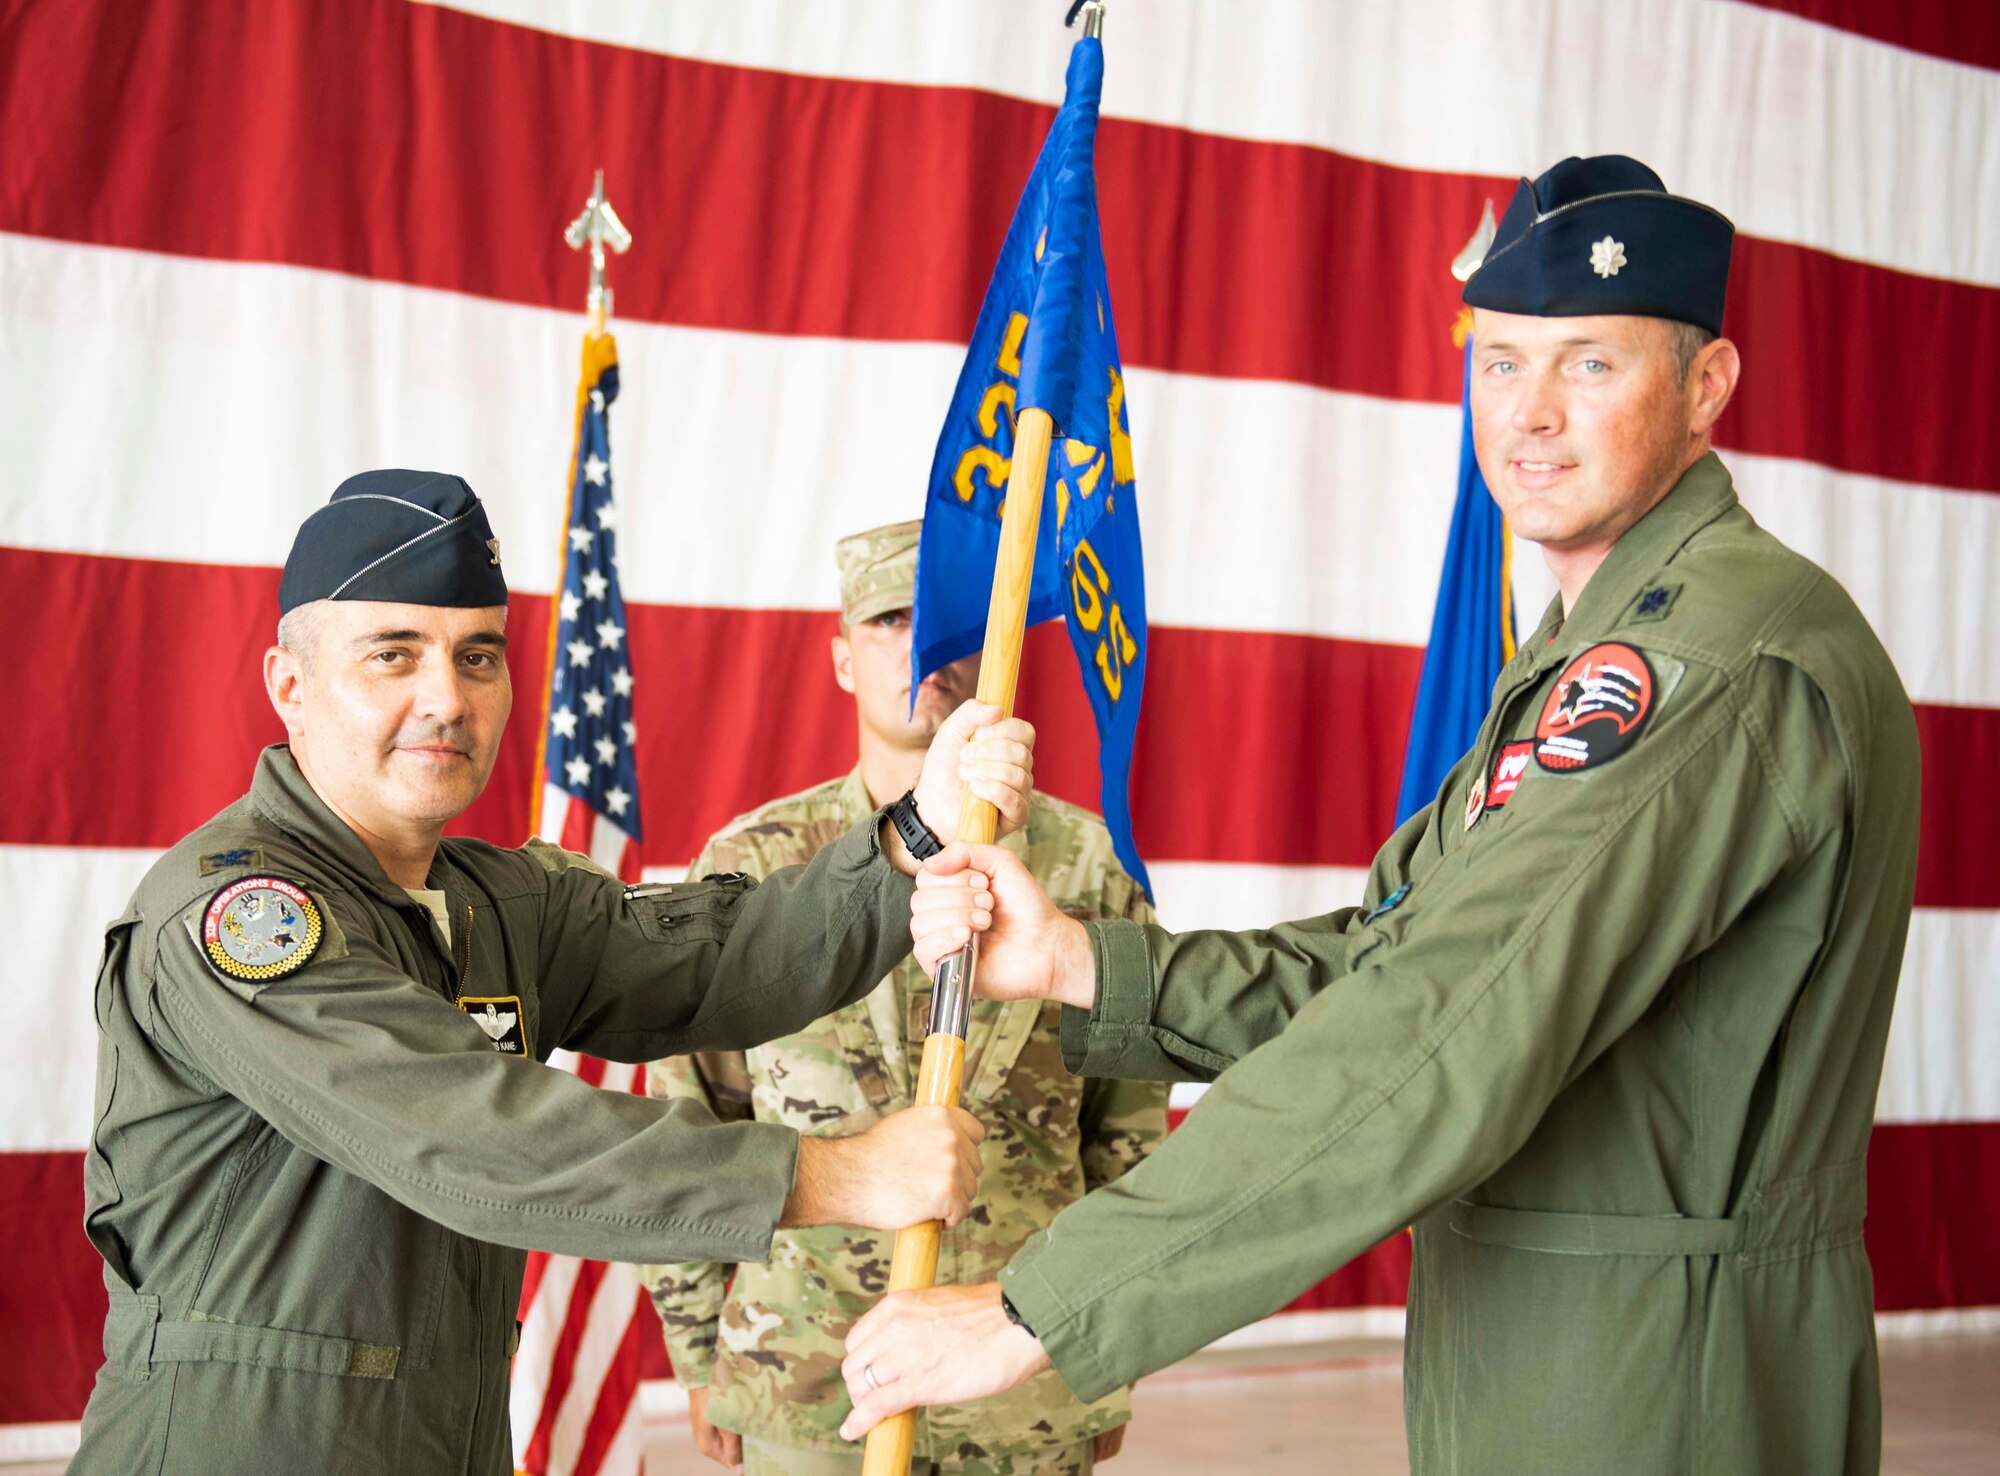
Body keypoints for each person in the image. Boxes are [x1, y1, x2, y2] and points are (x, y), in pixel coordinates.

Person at [836, 157, 1921, 1475]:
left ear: (1706, 388)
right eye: (1502, 362)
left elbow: (1448, 1022)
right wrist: (1080, 967)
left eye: (1590, 365)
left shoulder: (1708, 661)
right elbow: (1390, 963)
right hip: (1539, 1350)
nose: (1529, 415)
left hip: (1658, 1387)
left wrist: (1039, 1307)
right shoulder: (1584, 649)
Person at [71, 470, 1038, 1475]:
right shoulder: (239, 919)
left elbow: (721, 959)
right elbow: (472, 1136)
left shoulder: (498, 902)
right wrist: (831, 1173)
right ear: (290, 685)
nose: (445, 697)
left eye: (476, 656)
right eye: (392, 655)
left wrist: (909, 836)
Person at [641, 519, 1166, 1476]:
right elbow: (687, 1119)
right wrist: (698, 1350)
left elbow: (1128, 1136)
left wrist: (1103, 1342)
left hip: (1021, 1382)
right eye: (892, 621)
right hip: (803, 1372)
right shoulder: (753, 867)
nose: (927, 650)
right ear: (843, 659)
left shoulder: (1091, 869)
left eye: (953, 625)